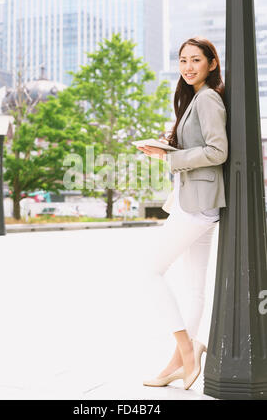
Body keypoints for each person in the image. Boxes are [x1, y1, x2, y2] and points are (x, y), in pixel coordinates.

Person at [136, 37, 228, 390]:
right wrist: (169, 145)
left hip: (197, 204)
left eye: (196, 60)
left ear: (212, 63)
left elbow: (217, 151)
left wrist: (169, 157)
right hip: (200, 203)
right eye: (183, 60)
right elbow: (201, 146)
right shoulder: (197, 99)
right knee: (194, 288)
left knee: (148, 271)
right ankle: (179, 363)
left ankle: (186, 351)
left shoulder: (207, 99)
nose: (188, 67)